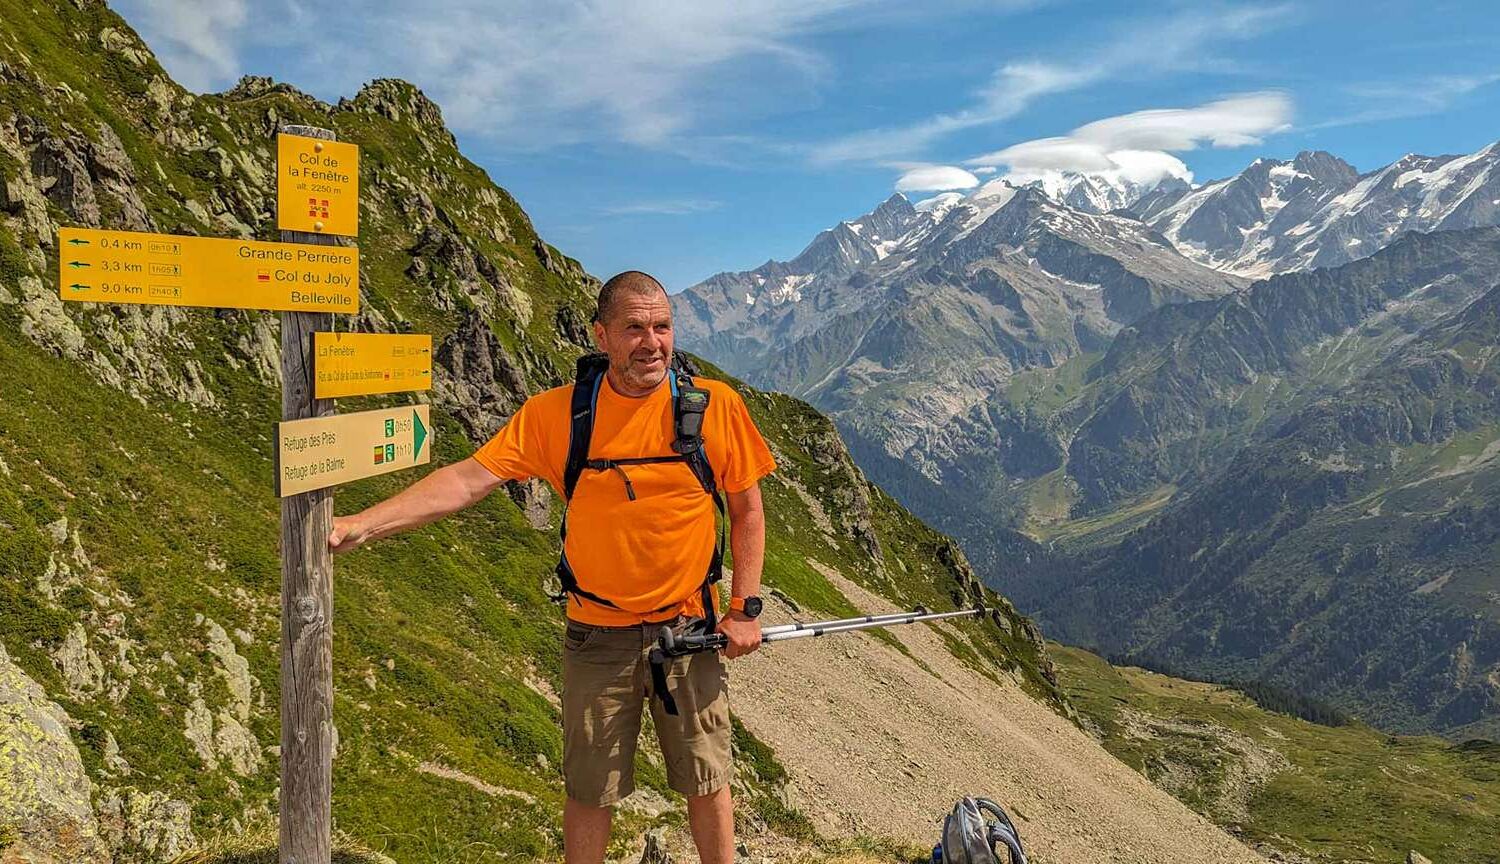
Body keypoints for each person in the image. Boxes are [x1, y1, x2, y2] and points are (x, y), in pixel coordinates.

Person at [327, 270, 777, 864]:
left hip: (689, 626)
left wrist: (744, 609)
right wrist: (362, 523)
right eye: (634, 328)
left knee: (706, 775)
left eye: (663, 327)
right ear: (601, 336)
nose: (653, 342)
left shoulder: (715, 407)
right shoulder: (557, 416)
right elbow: (467, 480)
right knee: (591, 789)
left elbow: (747, 510)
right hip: (598, 633)